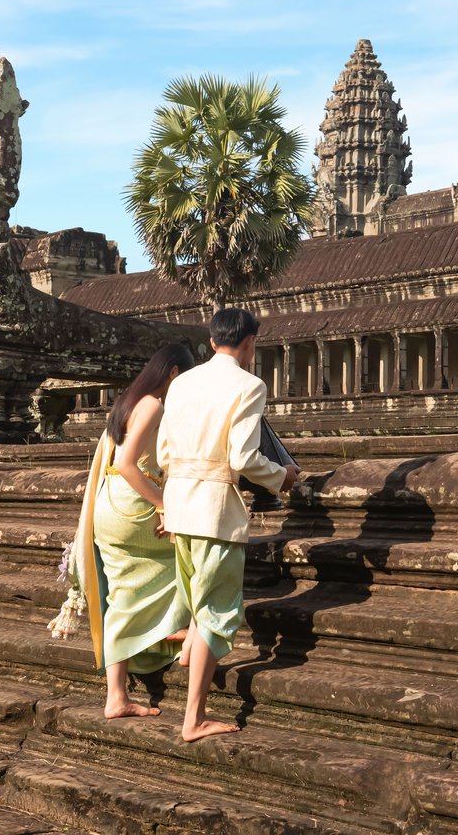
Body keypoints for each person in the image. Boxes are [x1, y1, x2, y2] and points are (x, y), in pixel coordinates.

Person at [157, 307, 300, 741]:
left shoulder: (182, 382)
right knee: (218, 613)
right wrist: (282, 477)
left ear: (213, 339)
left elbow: (164, 451)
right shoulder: (249, 385)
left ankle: (190, 657)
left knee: (202, 601)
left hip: (179, 505)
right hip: (215, 510)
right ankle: (194, 719)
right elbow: (242, 458)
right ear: (249, 342)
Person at [71, 340, 198, 719]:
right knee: (189, 558)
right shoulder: (154, 404)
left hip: (109, 505)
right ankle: (178, 634)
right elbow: (129, 463)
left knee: (124, 593)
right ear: (173, 373)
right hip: (132, 505)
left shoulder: (128, 399)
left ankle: (117, 694)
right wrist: (165, 504)